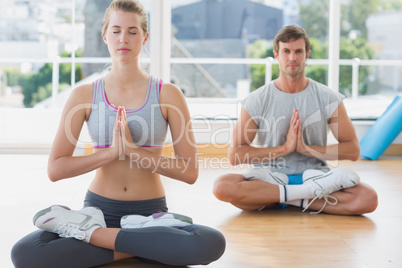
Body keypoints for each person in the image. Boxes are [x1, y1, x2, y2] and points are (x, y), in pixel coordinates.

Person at [11, 1, 225, 267]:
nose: (124, 39)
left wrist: (134, 152)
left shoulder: (168, 94)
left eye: (133, 31)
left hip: (151, 213)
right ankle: (139, 243)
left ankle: (98, 237)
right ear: (105, 35)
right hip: (99, 212)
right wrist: (110, 153)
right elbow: (56, 169)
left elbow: (190, 171)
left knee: (211, 241)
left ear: (145, 37)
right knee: (26, 253)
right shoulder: (84, 95)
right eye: (116, 30)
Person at [213, 25, 378, 215]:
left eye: (298, 51)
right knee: (222, 186)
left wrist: (306, 149)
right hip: (268, 178)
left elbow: (353, 150)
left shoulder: (328, 98)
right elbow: (235, 155)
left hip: (315, 178)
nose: (292, 58)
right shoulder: (257, 99)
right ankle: (304, 197)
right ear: (276, 55)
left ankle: (281, 198)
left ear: (307, 54)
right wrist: (284, 149)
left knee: (367, 198)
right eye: (286, 51)